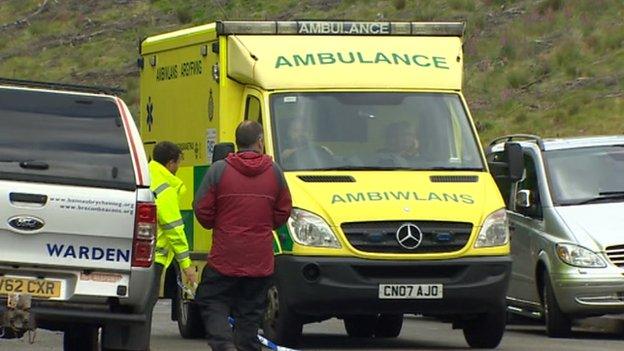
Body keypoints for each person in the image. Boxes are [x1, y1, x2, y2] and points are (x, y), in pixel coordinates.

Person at [193, 121, 292, 351]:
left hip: (225, 257)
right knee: (251, 310)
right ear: (259, 141)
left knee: (211, 299)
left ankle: (223, 344)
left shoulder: (219, 170)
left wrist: (217, 225)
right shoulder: (274, 172)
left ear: (237, 142)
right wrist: (264, 227)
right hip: (259, 259)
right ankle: (246, 345)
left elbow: (202, 209)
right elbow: (283, 210)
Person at [148, 141, 197, 307]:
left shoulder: (146, 175)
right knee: (146, 306)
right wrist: (187, 266)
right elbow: (174, 230)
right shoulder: (165, 188)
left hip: (138, 255)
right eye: (178, 163)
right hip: (154, 258)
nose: (178, 168)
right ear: (170, 163)